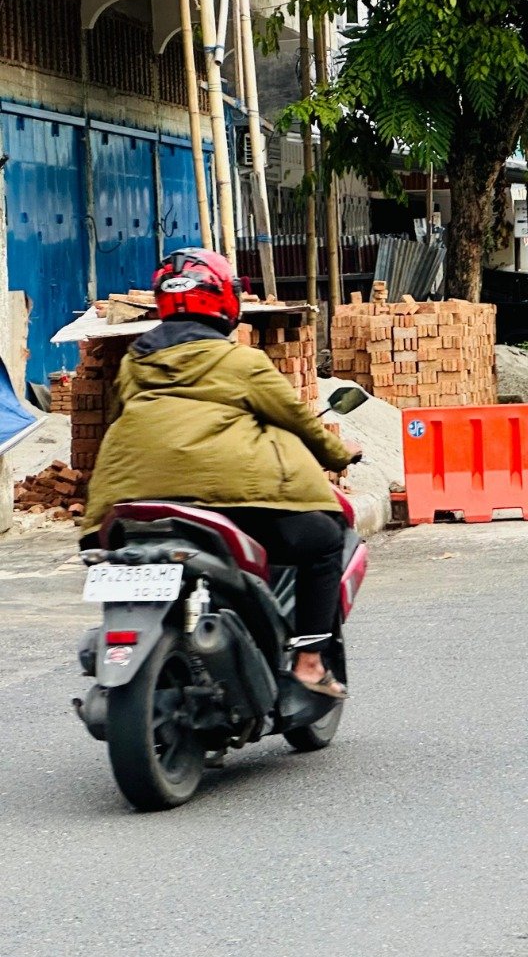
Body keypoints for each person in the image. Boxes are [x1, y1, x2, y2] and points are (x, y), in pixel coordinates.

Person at [80, 248, 361, 699]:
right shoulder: (242, 362)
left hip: (129, 504)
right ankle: (309, 662)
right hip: (229, 502)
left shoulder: (135, 361)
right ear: (226, 301)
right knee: (326, 540)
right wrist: (339, 454)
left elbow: (121, 417)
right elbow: (298, 420)